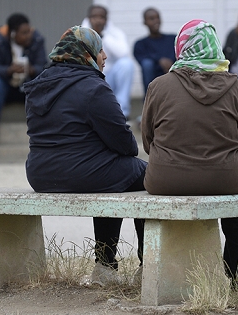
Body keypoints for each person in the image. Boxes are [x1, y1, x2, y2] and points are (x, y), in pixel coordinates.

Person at [23, 26, 147, 286]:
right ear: (85, 52)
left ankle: (105, 268)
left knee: (112, 176)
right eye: (99, 49)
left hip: (40, 175)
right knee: (146, 175)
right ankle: (144, 267)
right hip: (84, 173)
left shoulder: (38, 85)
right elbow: (127, 145)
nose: (104, 56)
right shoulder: (93, 87)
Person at [141, 20, 238, 288]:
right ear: (215, 47)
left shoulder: (158, 86)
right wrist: (222, 166)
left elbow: (148, 140)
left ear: (181, 48)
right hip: (227, 176)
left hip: (165, 179)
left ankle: (147, 267)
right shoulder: (237, 88)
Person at [0, 13, 47, 147]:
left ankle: (46, 132)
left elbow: (43, 65)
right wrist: (9, 70)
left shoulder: (37, 39)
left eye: (29, 31)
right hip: (6, 86)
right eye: (24, 33)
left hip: (27, 85)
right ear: (12, 33)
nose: (29, 35)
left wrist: (32, 69)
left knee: (44, 81)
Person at [81, 5, 134, 119]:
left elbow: (123, 52)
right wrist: (92, 35)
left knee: (126, 64)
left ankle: (122, 113)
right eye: (94, 17)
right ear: (88, 18)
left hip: (109, 78)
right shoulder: (79, 33)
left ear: (106, 19)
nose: (98, 20)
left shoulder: (115, 32)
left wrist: (101, 36)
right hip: (89, 78)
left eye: (101, 17)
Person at [133, 7, 176, 95]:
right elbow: (142, 59)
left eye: (158, 18)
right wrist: (160, 60)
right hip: (153, 77)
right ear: (144, 22)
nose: (156, 21)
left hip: (174, 72)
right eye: (151, 19)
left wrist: (171, 63)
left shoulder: (172, 39)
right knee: (147, 64)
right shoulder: (140, 44)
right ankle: (150, 100)